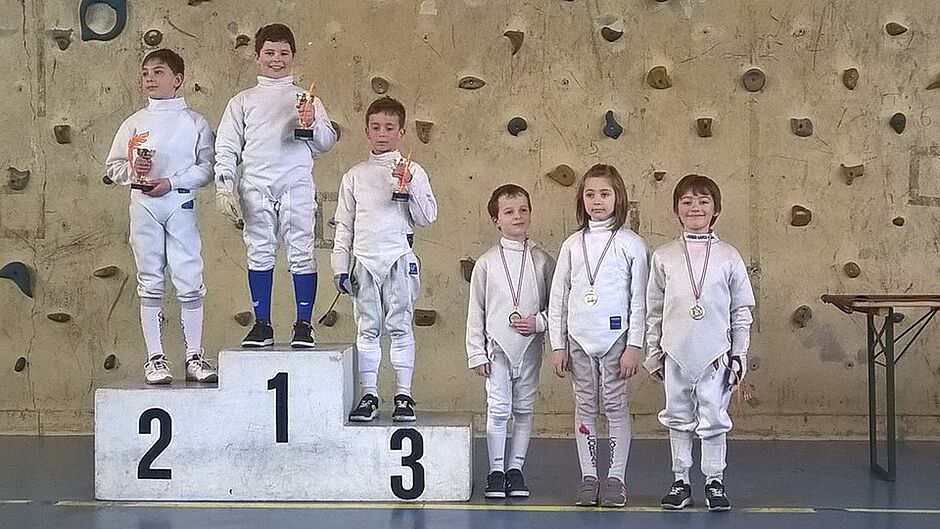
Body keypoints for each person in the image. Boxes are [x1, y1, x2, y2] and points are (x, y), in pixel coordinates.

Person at [215, 23, 337, 348]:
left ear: (294, 57)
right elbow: (226, 146)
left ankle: (304, 324)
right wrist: (225, 185)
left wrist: (309, 123)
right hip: (255, 184)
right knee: (259, 251)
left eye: (284, 53)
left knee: (301, 250)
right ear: (257, 58)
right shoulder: (242, 102)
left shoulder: (306, 99)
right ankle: (262, 325)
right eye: (269, 52)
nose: (276, 59)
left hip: (295, 182)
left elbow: (326, 142)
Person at [644, 174, 755, 511]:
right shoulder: (663, 256)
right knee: (678, 417)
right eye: (687, 202)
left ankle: (714, 481)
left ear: (716, 209)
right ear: (677, 209)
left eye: (703, 201)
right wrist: (653, 352)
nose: (695, 207)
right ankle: (680, 481)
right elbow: (654, 309)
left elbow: (741, 311)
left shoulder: (729, 256)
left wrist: (739, 355)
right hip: (675, 352)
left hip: (715, 355)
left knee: (713, 417)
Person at [105, 48, 216, 384]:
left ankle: (194, 356)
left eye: (158, 72)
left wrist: (171, 182)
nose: (150, 78)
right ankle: (155, 358)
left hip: (179, 204)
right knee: (150, 279)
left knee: (190, 279)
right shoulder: (134, 123)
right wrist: (133, 171)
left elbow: (207, 168)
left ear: (177, 79)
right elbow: (113, 168)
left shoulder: (194, 122)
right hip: (144, 207)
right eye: (146, 73)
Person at [548, 164, 649, 507]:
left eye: (604, 194)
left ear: (618, 197)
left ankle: (616, 480)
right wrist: (557, 345)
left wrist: (634, 345)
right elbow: (558, 296)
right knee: (585, 406)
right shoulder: (572, 245)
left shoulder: (632, 244)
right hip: (578, 339)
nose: (597, 201)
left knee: (616, 406)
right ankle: (589, 477)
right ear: (581, 199)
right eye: (590, 194)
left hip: (616, 341)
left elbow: (641, 299)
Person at [332, 96, 437, 422]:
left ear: (401, 132)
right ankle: (369, 394)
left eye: (389, 128)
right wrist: (339, 266)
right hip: (364, 261)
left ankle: (403, 395)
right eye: (376, 127)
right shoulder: (354, 176)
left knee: (401, 327)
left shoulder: (413, 171)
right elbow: (344, 225)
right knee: (367, 329)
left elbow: (427, 216)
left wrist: (408, 187)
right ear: (366, 131)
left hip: (398, 259)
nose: (382, 133)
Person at [466, 184, 555, 498]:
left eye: (523, 210)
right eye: (509, 212)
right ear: (496, 220)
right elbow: (476, 309)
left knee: (524, 407)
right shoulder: (487, 263)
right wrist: (476, 352)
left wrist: (540, 323)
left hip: (529, 346)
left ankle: (516, 469)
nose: (517, 216)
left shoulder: (543, 260)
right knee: (498, 408)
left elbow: (556, 307)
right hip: (497, 348)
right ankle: (496, 470)